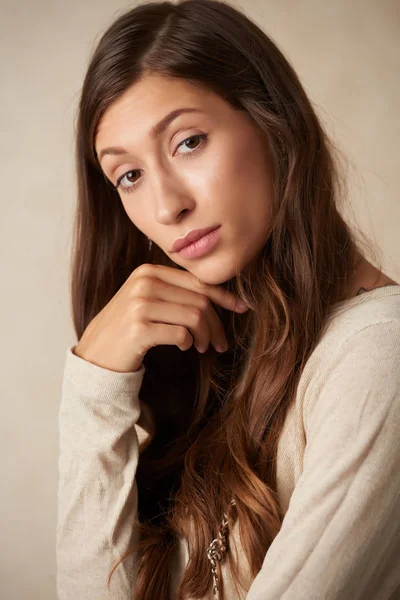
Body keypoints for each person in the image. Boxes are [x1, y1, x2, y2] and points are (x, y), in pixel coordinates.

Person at [56, 1, 400, 598]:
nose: (166, 206)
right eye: (128, 176)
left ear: (274, 123)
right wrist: (95, 384)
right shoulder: (218, 363)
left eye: (188, 142)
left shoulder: (377, 354)